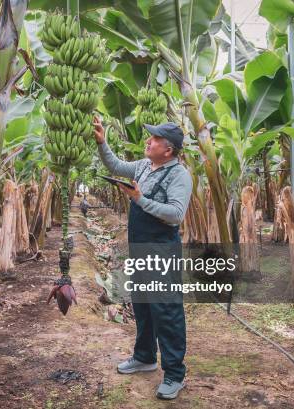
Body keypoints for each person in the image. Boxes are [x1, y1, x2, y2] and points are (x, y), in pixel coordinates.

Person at [93, 116, 192, 400]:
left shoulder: (179, 176)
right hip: (139, 248)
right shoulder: (143, 166)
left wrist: (139, 199)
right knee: (143, 305)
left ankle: (174, 374)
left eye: (154, 139)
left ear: (168, 150)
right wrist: (102, 143)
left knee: (167, 311)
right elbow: (115, 165)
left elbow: (175, 214)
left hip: (162, 250)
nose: (148, 141)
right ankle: (144, 356)